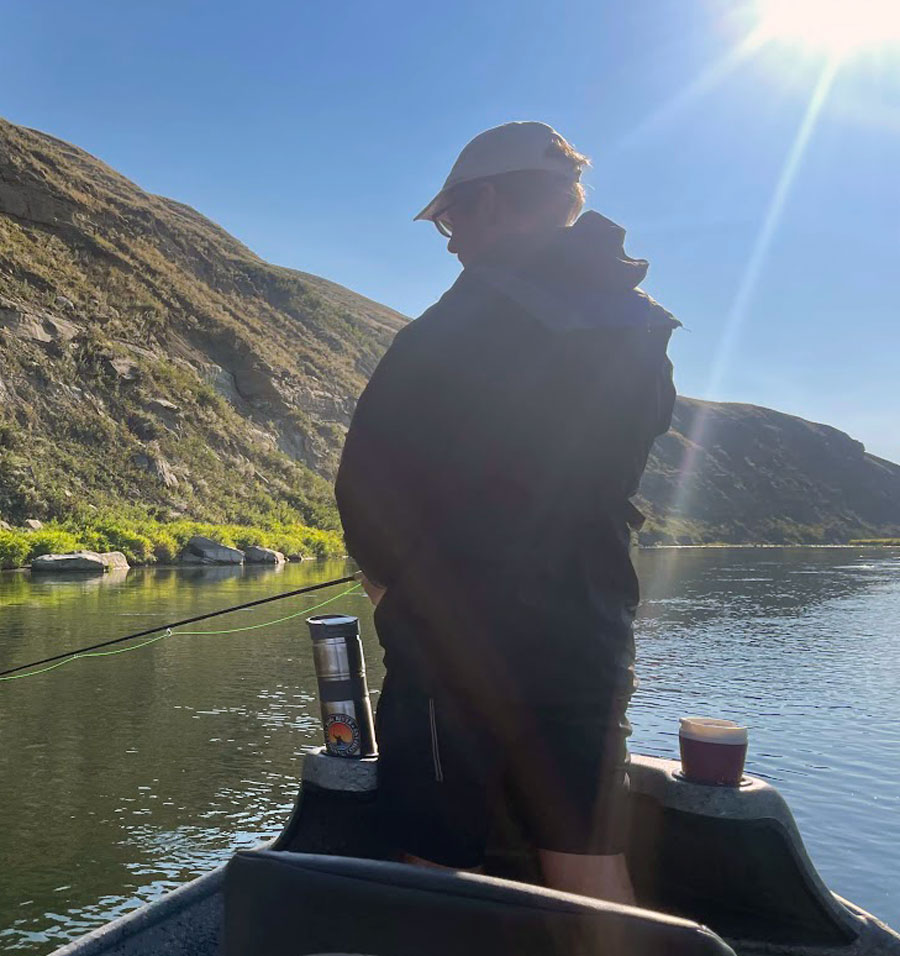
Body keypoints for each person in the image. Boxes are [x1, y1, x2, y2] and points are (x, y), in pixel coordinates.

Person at [334, 121, 678, 904]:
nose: (451, 245)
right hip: (590, 625)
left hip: (456, 630)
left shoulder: (453, 326)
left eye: (453, 221)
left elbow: (367, 485)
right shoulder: (644, 327)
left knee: (431, 858)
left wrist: (397, 594)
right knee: (588, 855)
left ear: (488, 203)